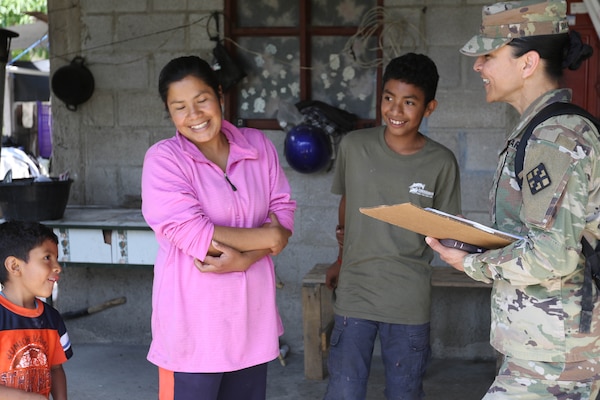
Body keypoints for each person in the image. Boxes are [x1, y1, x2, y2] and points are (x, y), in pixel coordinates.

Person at [425, 0, 600, 398]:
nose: (477, 66)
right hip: (545, 345)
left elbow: (554, 255)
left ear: (528, 63)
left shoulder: (555, 137)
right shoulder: (541, 128)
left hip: (556, 355)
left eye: (488, 55)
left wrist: (472, 261)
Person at [141, 55, 296, 400]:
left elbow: (282, 212)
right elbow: (190, 233)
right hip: (192, 334)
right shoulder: (164, 160)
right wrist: (269, 238)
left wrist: (249, 256)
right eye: (180, 107)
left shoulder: (257, 146)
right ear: (169, 113)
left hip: (251, 326)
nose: (194, 115)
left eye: (202, 100)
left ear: (220, 95)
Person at [323, 53, 462, 400]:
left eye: (409, 102)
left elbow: (449, 229)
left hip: (408, 299)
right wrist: (340, 259)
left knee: (404, 392)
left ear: (429, 108)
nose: (396, 111)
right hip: (355, 293)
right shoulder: (354, 147)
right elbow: (346, 206)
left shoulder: (441, 162)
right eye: (389, 98)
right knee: (344, 391)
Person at [0, 220, 72, 400]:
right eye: (47, 258)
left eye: (56, 258)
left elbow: (55, 369)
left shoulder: (52, 319)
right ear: (15, 266)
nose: (57, 267)